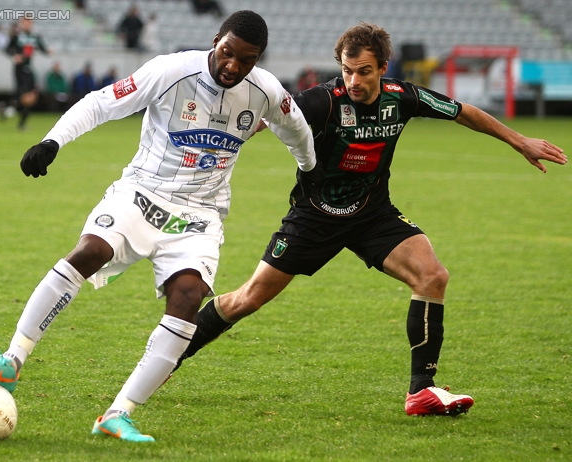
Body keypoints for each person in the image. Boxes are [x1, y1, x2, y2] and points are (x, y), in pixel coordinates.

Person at [174, 22, 567, 416]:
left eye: (363, 71)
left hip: (372, 213)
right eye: (347, 70)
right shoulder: (324, 101)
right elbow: (268, 117)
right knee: (248, 299)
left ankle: (422, 390)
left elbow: (463, 112)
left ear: (383, 67)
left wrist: (520, 141)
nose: (353, 80)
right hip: (315, 217)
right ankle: (166, 359)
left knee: (432, 276)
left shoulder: (403, 97)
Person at [0, 10, 321, 443]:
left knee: (188, 297)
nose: (233, 66)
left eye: (246, 59)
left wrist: (309, 171)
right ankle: (12, 360)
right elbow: (101, 102)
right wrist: (52, 140)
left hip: (199, 214)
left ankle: (118, 413)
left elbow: (296, 129)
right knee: (90, 251)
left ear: (257, 59)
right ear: (216, 40)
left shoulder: (265, 91)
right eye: (227, 52)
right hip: (141, 194)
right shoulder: (171, 70)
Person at [3, 16, 50, 130]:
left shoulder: (34, 36)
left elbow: (42, 48)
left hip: (29, 68)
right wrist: (15, 55)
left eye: (28, 22)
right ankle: (10, 110)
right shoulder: (17, 36)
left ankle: (10, 110)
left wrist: (47, 51)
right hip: (20, 68)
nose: (26, 24)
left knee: (32, 97)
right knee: (24, 95)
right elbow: (7, 49)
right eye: (24, 22)